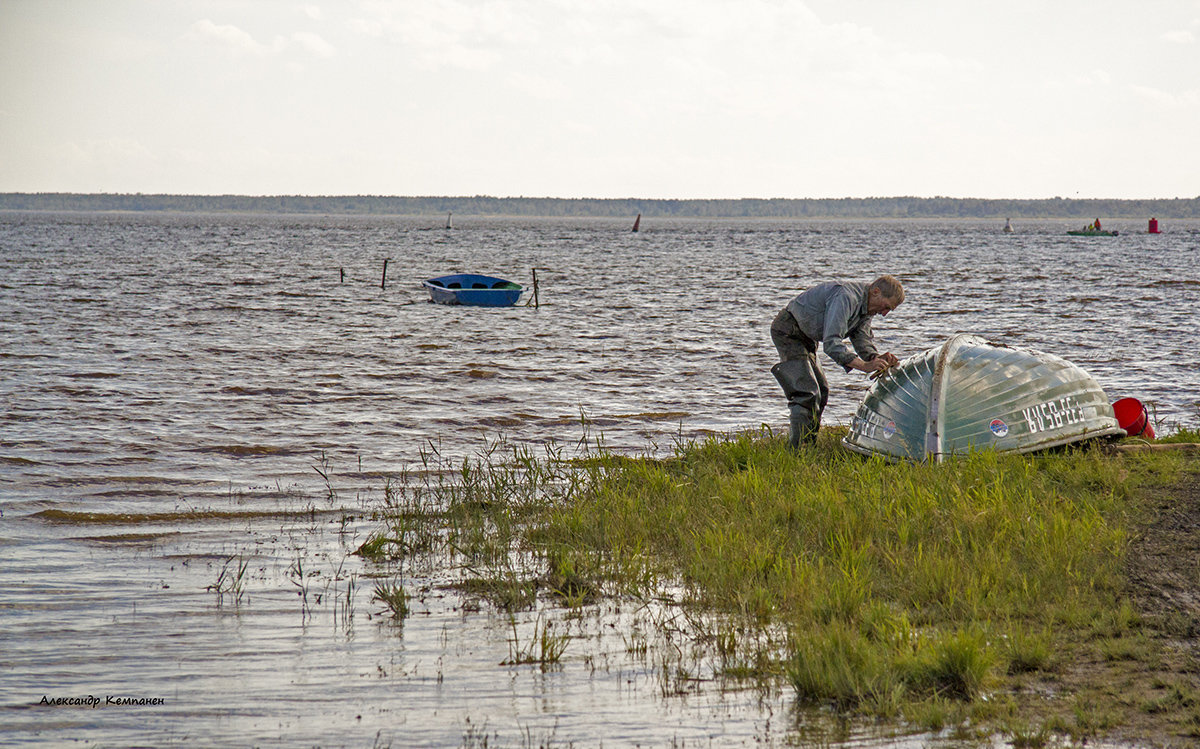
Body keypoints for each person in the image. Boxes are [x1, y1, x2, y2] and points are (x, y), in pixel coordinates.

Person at [770, 276, 904, 448]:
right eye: (886, 307)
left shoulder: (867, 307)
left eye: (889, 311)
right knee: (806, 393)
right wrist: (863, 366)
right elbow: (832, 343)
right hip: (788, 331)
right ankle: (796, 452)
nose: (884, 314)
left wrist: (874, 358)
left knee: (822, 391)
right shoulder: (846, 297)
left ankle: (808, 446)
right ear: (875, 291)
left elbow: (861, 338)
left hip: (807, 337)